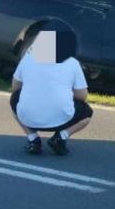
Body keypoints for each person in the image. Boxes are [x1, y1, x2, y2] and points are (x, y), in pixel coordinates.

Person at [10, 23, 93, 155]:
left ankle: (33, 139)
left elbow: (15, 87)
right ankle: (61, 136)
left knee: (14, 99)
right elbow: (82, 96)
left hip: (28, 118)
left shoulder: (28, 59)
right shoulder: (72, 63)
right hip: (63, 119)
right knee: (87, 113)